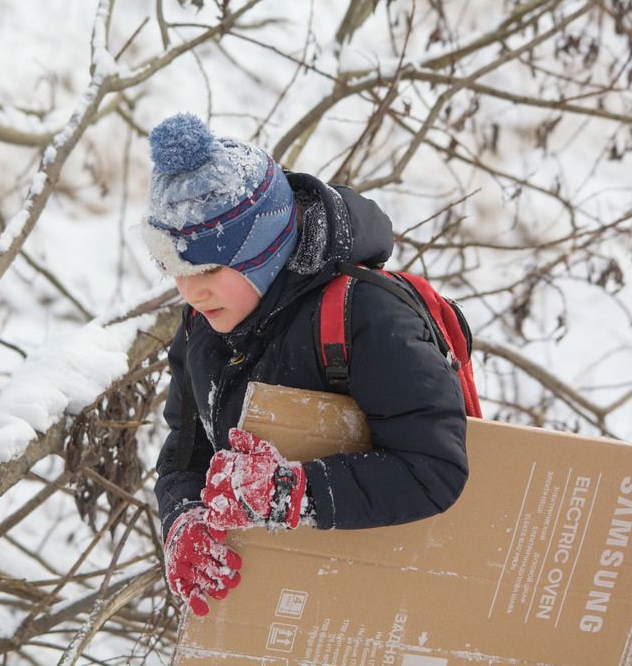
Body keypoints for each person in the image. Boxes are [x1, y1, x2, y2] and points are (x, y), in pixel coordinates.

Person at [143, 113, 468, 616]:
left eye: (207, 268)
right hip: (284, 606)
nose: (190, 290)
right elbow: (186, 453)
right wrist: (182, 517)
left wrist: (290, 492)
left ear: (262, 251)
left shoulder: (365, 316)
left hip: (396, 597)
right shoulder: (202, 326)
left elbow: (435, 469)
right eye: (175, 268)